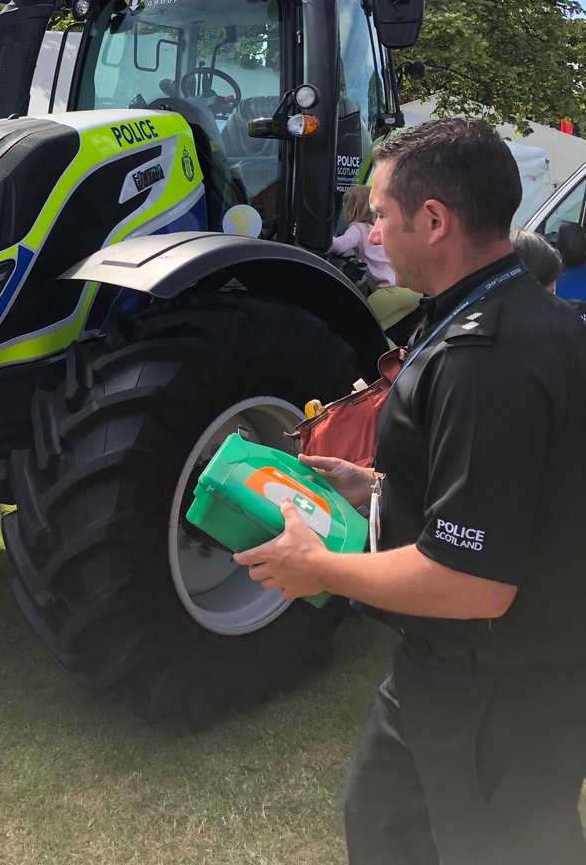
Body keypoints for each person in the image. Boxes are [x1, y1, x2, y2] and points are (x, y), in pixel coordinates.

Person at [235, 118, 586, 864]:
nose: (372, 230)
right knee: (385, 824)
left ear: (434, 221)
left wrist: (316, 568)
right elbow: (508, 480)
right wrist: (378, 486)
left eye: (382, 213)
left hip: (498, 692)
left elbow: (473, 582)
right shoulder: (508, 315)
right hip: (448, 675)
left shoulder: (487, 357)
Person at [331, 185, 421, 343]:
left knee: (354, 326)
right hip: (412, 292)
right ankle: (400, 360)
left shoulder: (358, 229)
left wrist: (316, 235)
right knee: (375, 331)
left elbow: (338, 245)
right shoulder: (377, 229)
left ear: (352, 207)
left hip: (391, 291)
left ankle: (393, 364)